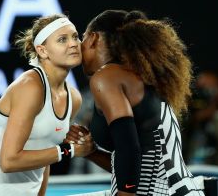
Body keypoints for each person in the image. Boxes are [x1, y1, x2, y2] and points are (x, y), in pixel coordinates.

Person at [65, 10, 205, 196]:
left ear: (93, 38)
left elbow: (128, 149)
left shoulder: (106, 77)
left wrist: (125, 194)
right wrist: (92, 152)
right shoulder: (146, 79)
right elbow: (139, 164)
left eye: (82, 38)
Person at [0, 14, 94, 196]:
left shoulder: (74, 98)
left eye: (75, 36)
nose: (73, 44)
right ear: (42, 51)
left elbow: (45, 157)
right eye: (62, 39)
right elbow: (8, 161)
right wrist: (69, 150)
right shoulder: (30, 86)